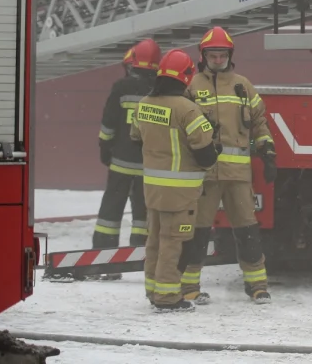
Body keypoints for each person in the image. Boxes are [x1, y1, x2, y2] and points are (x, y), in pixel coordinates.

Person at [180, 26, 277, 305]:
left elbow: (260, 122)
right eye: (213, 54)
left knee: (248, 231)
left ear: (229, 55)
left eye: (222, 55)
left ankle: (257, 286)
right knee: (197, 233)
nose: (218, 59)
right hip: (205, 176)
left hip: (238, 176)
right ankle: (190, 288)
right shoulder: (191, 86)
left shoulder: (243, 86)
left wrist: (268, 151)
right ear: (203, 55)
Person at [130, 49, 219, 312]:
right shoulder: (188, 110)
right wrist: (216, 148)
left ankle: (153, 290)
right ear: (187, 76)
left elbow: (136, 140)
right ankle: (168, 297)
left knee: (155, 240)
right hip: (181, 194)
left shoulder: (144, 103)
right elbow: (205, 156)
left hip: (153, 189)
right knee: (174, 244)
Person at [91, 40, 161, 269]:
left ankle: (103, 253)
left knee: (111, 208)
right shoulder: (160, 90)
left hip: (120, 161)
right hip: (147, 165)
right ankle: (140, 255)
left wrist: (105, 147)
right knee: (143, 210)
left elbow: (108, 121)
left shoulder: (121, 87)